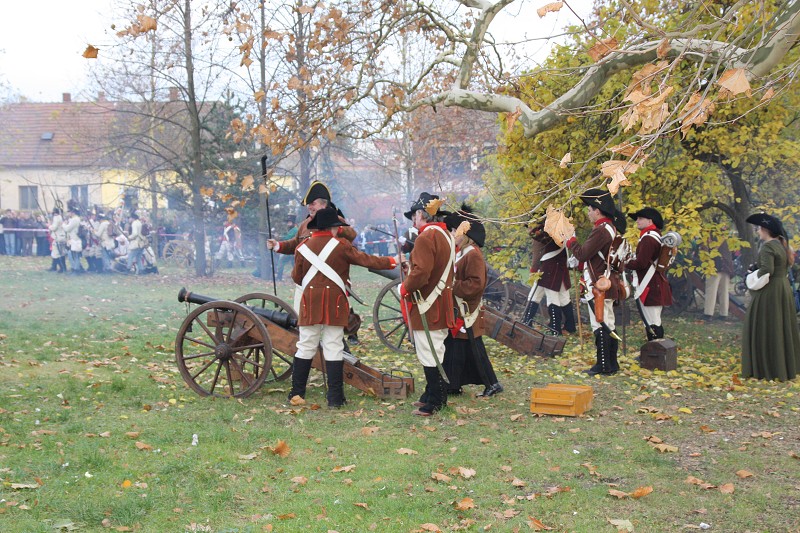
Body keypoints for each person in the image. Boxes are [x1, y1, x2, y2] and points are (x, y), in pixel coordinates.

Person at [288, 207, 398, 407]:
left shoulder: (302, 247)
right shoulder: (341, 246)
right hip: (334, 302)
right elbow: (366, 259)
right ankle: (335, 398)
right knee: (333, 346)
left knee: (305, 346)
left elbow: (297, 277)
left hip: (310, 301)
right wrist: (392, 261)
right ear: (331, 227)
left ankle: (297, 394)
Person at [400, 192, 456, 416]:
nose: (413, 220)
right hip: (441, 303)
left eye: (415, 215)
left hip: (428, 304)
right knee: (436, 351)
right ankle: (432, 395)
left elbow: (422, 273)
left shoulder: (425, 238)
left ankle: (435, 401)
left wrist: (405, 287)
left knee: (428, 352)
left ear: (421, 214)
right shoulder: (446, 236)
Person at [439, 205, 503, 398]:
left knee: (475, 350)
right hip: (459, 308)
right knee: (456, 348)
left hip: (468, 309)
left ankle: (492, 383)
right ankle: (453, 384)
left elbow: (476, 284)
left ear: (465, 234)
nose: (452, 234)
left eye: (455, 231)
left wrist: (450, 286)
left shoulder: (473, 254)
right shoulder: (462, 252)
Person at [566, 188, 626, 376]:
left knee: (600, 324)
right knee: (608, 322)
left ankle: (603, 365)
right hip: (607, 281)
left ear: (598, 211)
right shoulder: (610, 227)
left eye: (590, 210)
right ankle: (611, 364)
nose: (588, 213)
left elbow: (583, 253)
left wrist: (571, 240)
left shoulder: (601, 230)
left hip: (599, 284)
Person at [741, 213, 800, 381]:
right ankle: (781, 367)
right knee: (779, 327)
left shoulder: (767, 246)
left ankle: (765, 368)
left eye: (759, 228)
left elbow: (768, 270)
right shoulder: (782, 246)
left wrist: (751, 276)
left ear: (766, 230)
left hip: (770, 291)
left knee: (765, 326)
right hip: (782, 289)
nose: (758, 231)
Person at [625, 207, 673, 341]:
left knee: (652, 321)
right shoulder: (653, 236)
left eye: (640, 219)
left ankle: (656, 353)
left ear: (650, 221)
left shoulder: (648, 239)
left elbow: (641, 263)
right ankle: (654, 352)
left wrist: (625, 263)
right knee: (652, 320)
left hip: (650, 285)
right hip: (652, 284)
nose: (637, 222)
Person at [524, 222, 576, 335]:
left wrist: (533, 269)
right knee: (560, 297)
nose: (529, 228)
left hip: (549, 269)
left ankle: (555, 328)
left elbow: (537, 253)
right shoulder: (557, 231)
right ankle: (569, 326)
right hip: (559, 267)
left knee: (553, 298)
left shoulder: (547, 233)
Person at [703, 236, 735, 321]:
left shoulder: (710, 234)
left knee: (711, 290)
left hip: (714, 265)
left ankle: (708, 313)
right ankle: (723, 313)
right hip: (726, 266)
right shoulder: (724, 235)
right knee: (724, 291)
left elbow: (708, 249)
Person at [63, 206, 84, 273]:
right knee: (72, 254)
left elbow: (67, 229)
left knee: (75, 255)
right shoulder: (74, 219)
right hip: (73, 239)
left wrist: (63, 224)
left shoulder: (75, 219)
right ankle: (76, 267)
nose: (68, 213)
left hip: (75, 239)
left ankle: (76, 269)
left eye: (69, 212)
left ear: (72, 212)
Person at [48, 207, 67, 273]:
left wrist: (49, 226)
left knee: (56, 253)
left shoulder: (56, 218)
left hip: (57, 237)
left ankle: (62, 268)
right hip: (61, 236)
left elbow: (54, 228)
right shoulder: (61, 217)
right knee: (61, 253)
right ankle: (62, 267)